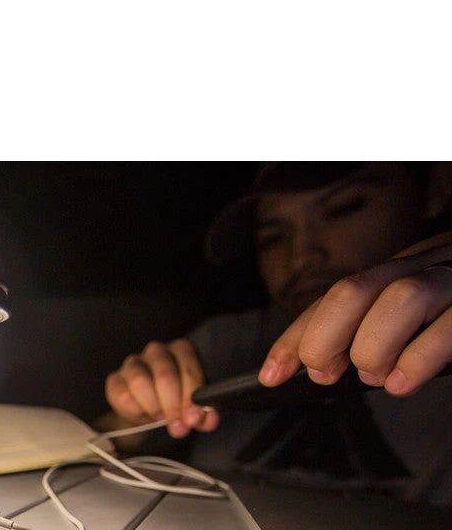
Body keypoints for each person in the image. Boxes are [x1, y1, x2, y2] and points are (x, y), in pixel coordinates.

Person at [101, 162, 452, 504]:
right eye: (273, 238)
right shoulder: (223, 344)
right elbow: (102, 440)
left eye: (343, 208)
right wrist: (133, 415)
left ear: (435, 188)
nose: (301, 258)